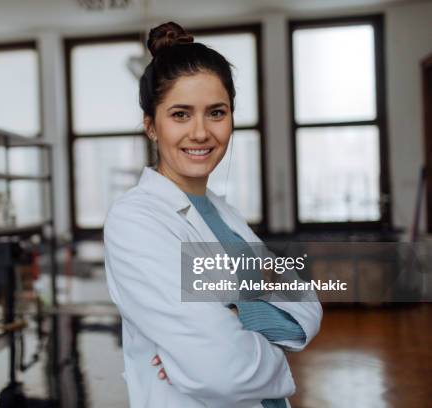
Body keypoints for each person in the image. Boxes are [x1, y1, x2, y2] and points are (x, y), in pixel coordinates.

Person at [103, 22, 322, 408]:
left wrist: (237, 312)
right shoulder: (135, 222)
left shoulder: (223, 211)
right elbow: (221, 370)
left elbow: (306, 305)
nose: (201, 132)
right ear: (151, 126)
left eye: (216, 112)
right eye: (181, 114)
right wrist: (276, 353)